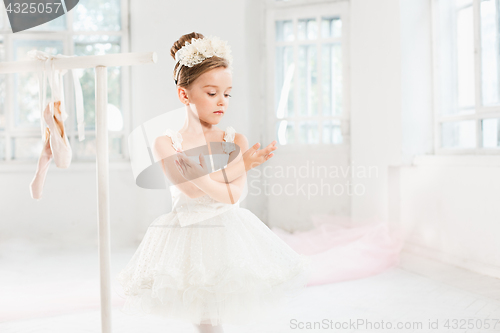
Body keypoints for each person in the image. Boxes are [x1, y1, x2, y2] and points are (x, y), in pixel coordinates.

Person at [116, 32, 311, 333]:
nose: (222, 102)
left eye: (227, 93)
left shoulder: (234, 141)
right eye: (211, 93)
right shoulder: (166, 143)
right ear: (185, 95)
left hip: (228, 233)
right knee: (203, 315)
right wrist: (240, 166)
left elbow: (232, 196)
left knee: (218, 310)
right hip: (188, 235)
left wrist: (214, 168)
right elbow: (190, 191)